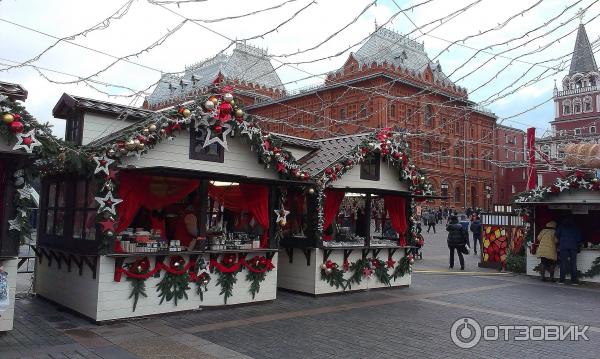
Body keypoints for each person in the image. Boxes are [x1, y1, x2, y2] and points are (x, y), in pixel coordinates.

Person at [556, 217, 583, 285]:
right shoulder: (575, 227)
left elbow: (556, 234)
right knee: (573, 264)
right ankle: (574, 281)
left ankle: (562, 280)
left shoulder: (561, 226)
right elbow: (579, 238)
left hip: (563, 246)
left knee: (563, 263)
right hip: (573, 247)